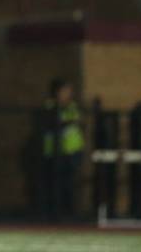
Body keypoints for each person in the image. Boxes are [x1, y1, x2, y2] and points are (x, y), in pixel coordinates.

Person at [42, 78, 84, 220]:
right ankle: (54, 215)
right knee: (54, 184)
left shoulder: (72, 106)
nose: (69, 93)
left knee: (70, 184)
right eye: (65, 90)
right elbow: (53, 122)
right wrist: (69, 121)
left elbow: (78, 122)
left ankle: (70, 214)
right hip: (54, 153)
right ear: (57, 92)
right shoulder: (50, 105)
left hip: (72, 151)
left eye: (70, 90)